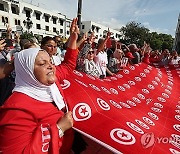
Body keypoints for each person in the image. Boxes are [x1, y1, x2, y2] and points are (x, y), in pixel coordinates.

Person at [0, 18, 79, 154]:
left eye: (50, 62)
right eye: (42, 64)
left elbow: (68, 65)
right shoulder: (16, 108)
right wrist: (59, 129)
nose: (50, 66)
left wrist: (73, 39)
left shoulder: (50, 82)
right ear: (27, 71)